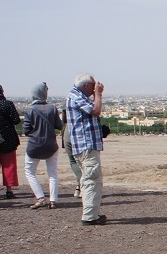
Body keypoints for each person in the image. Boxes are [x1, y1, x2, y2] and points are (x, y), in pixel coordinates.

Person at [66, 73, 106, 224]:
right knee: (91, 179)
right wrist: (98, 94)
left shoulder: (76, 96)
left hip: (84, 145)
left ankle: (92, 214)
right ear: (87, 86)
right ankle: (89, 216)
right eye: (93, 85)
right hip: (86, 145)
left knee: (90, 179)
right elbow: (95, 110)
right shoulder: (76, 96)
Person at [24, 82, 64, 209]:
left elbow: (26, 130)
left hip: (34, 146)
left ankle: (40, 197)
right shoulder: (52, 108)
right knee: (52, 173)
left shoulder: (29, 110)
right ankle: (53, 200)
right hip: (51, 145)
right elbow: (59, 125)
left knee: (30, 171)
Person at [0, 83, 22, 200]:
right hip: (9, 138)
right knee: (9, 165)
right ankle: (9, 190)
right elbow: (16, 120)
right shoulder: (8, 104)